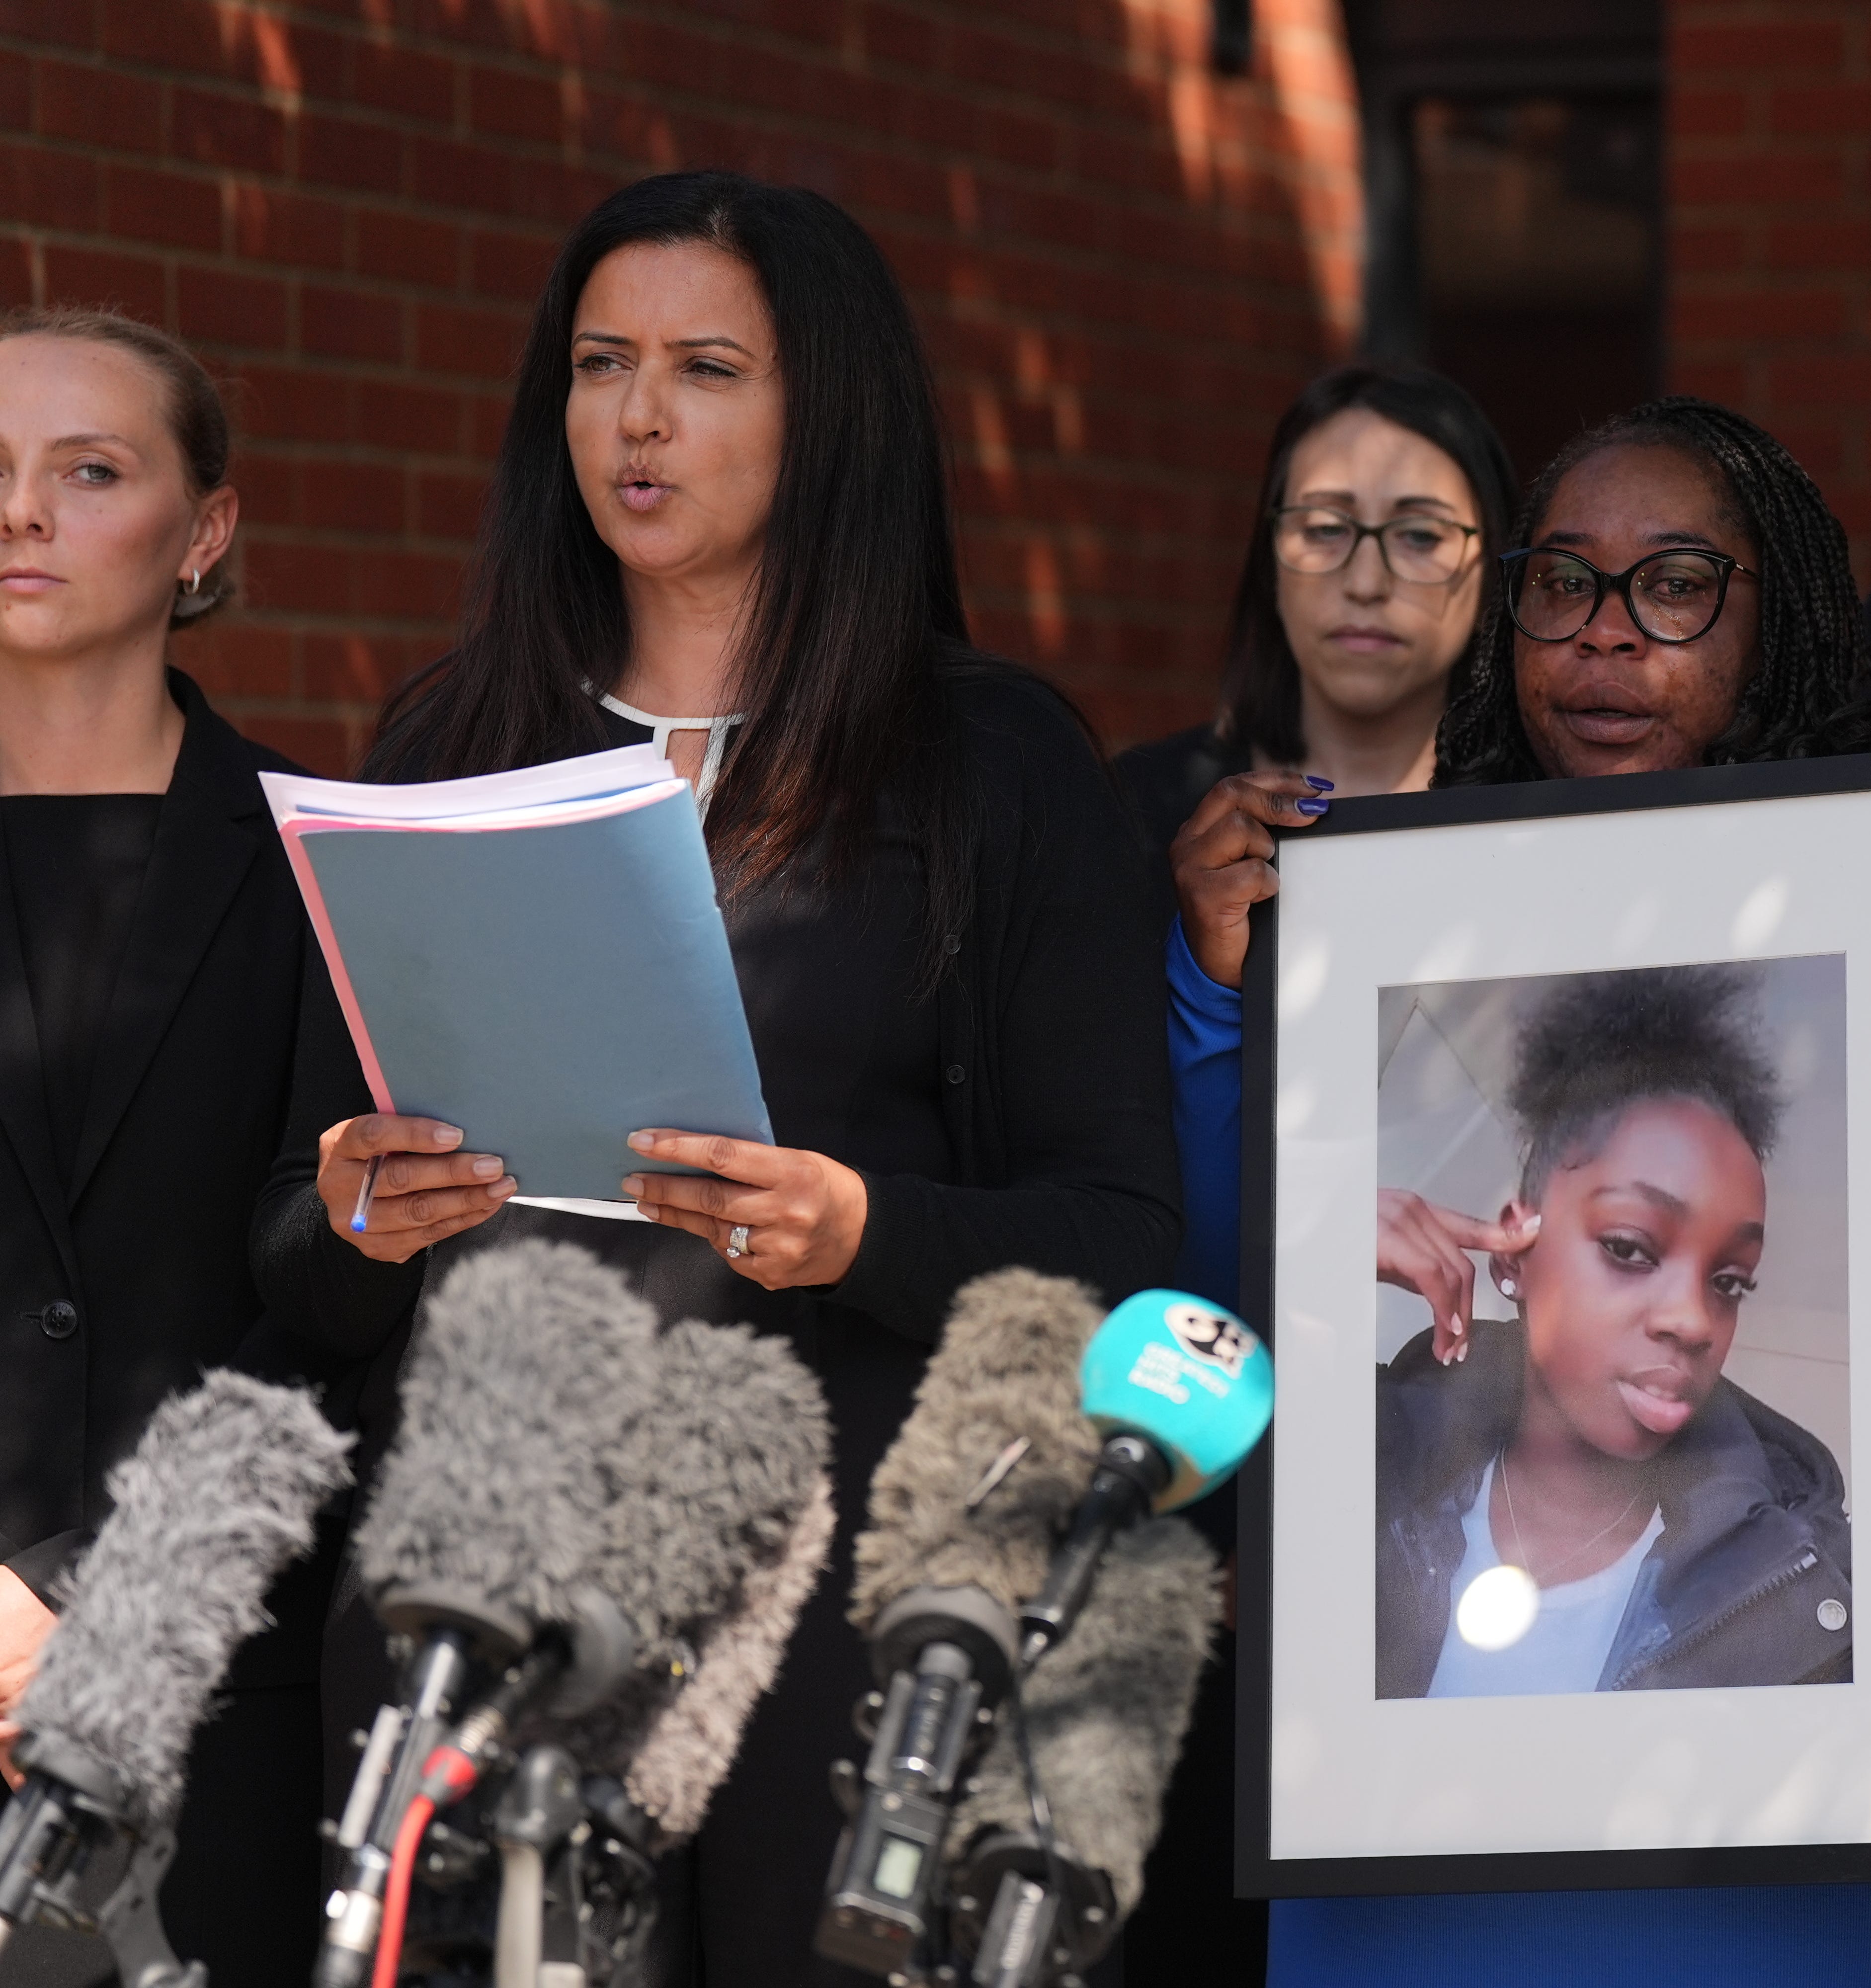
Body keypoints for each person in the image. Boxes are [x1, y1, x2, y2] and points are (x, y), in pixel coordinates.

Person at [247, 172, 1177, 1983]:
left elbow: (1126, 1246)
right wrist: (361, 1211)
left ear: (826, 412)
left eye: (705, 367)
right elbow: (291, 1242)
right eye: (600, 365)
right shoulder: (449, 742)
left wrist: (862, 1230)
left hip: (841, 1605)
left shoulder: (995, 765)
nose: (639, 416)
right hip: (491, 1589)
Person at [1165, 394, 1871, 1981]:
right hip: (1386, 1900)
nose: (1606, 639)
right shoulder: (1388, 917)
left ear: (1782, 620)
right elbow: (1211, 1308)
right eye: (1563, 583)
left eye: (1678, 584)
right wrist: (1218, 1008)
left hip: (1785, 1898)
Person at [0, 307, 338, 1978]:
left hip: (219, 1684)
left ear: (205, 528)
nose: (22, 513)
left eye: (89, 469)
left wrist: (86, 1590)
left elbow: (342, 1303)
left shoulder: (325, 862)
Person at [1116, 362, 1514, 1313]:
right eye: (1325, 530)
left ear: (1491, 561)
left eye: (1419, 535)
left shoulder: (1537, 827)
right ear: (1269, 556)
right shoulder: (1140, 812)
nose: (1366, 580)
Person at [1375, 966, 1854, 1699]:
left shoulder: (1801, 1603)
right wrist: (1305, 1278)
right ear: (1515, 1252)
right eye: (1631, 1248)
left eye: (1729, 1282)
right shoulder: (1364, 1459)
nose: (1695, 1322)